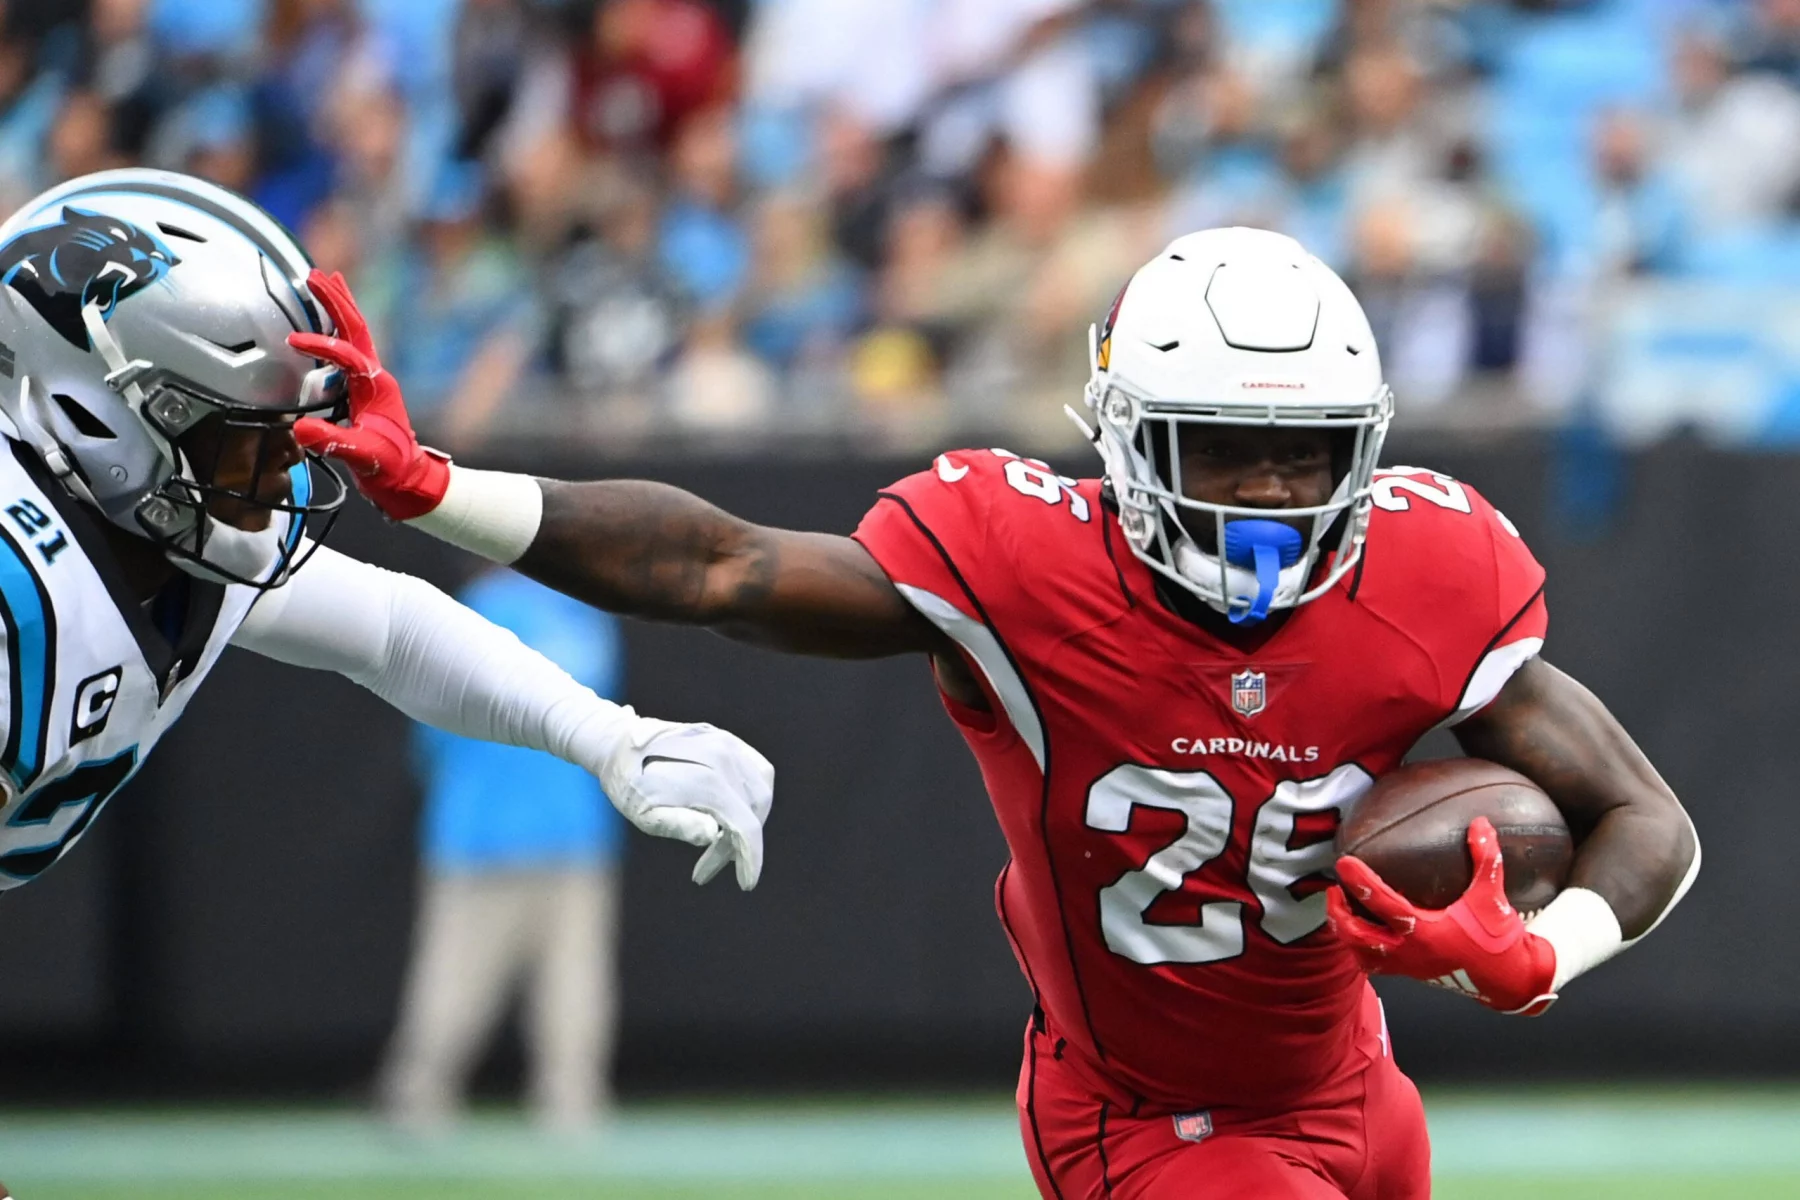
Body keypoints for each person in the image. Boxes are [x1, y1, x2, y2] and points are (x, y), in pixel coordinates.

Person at [302, 226, 1700, 1200]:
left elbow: (1644, 818)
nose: (1268, 493)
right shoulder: (1027, 566)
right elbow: (720, 562)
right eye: (1224, 446)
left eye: (1308, 454)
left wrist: (1549, 951)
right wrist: (441, 489)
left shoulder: (1428, 568)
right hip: (1151, 1119)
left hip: (1356, 1089)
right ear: (1128, 435)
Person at [0, 168, 771, 904]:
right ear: (94, 413)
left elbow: (394, 632)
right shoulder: (22, 592)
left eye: (286, 432)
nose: (279, 475)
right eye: (247, 436)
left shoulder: (167, 524)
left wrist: (609, 739)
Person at [381, 569, 627, 1132]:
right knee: (574, 977)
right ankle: (573, 1108)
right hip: (570, 830)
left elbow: (431, 728)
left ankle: (419, 1101)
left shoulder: (470, 612)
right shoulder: (586, 616)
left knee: (455, 973)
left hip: (478, 829)